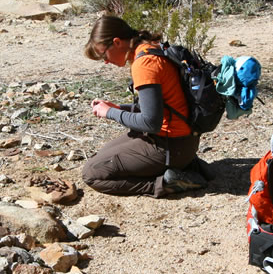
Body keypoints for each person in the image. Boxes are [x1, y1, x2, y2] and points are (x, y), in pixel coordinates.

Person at [81, 15, 208, 197]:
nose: (106, 62)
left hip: (169, 146)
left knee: (92, 173)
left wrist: (110, 113)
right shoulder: (150, 48)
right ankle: (189, 165)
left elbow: (150, 123)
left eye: (104, 55)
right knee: (101, 157)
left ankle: (166, 183)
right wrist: (118, 107)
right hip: (180, 141)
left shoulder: (144, 64)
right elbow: (158, 108)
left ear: (117, 42)